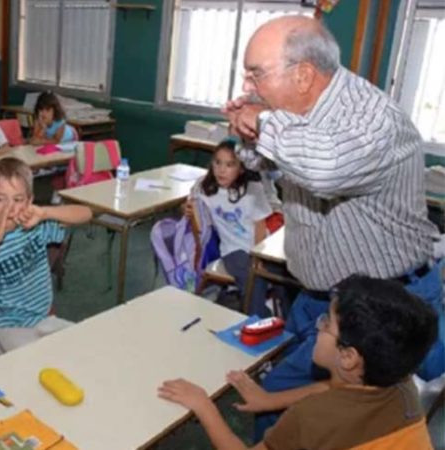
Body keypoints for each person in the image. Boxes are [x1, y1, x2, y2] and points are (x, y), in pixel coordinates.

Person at [221, 15, 444, 433]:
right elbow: (265, 163)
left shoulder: (372, 117)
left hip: (384, 306)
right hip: (321, 297)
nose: (248, 87)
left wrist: (262, 122)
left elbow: (325, 171)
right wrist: (249, 134)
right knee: (290, 407)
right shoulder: (293, 110)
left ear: (303, 74)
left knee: (349, 423)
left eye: (256, 74)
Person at [158, 275, 438, 450]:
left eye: (326, 322)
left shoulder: (311, 418)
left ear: (349, 356)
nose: (318, 326)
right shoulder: (401, 386)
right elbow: (334, 389)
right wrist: (270, 401)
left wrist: (203, 405)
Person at [0, 157, 92, 357]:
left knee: (83, 346)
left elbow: (86, 213)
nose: (9, 208)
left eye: (18, 200)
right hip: (4, 325)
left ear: (29, 201)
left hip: (43, 319)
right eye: (0, 199)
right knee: (29, 367)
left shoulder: (35, 225)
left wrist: (45, 212)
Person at [185, 139, 273, 316]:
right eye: (217, 162)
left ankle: (279, 320)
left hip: (259, 247)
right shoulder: (205, 188)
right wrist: (188, 210)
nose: (221, 170)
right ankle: (258, 318)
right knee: (253, 278)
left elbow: (260, 228)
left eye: (230, 164)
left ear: (241, 168)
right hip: (232, 250)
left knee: (284, 277)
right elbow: (191, 205)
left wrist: (259, 258)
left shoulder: (253, 190)